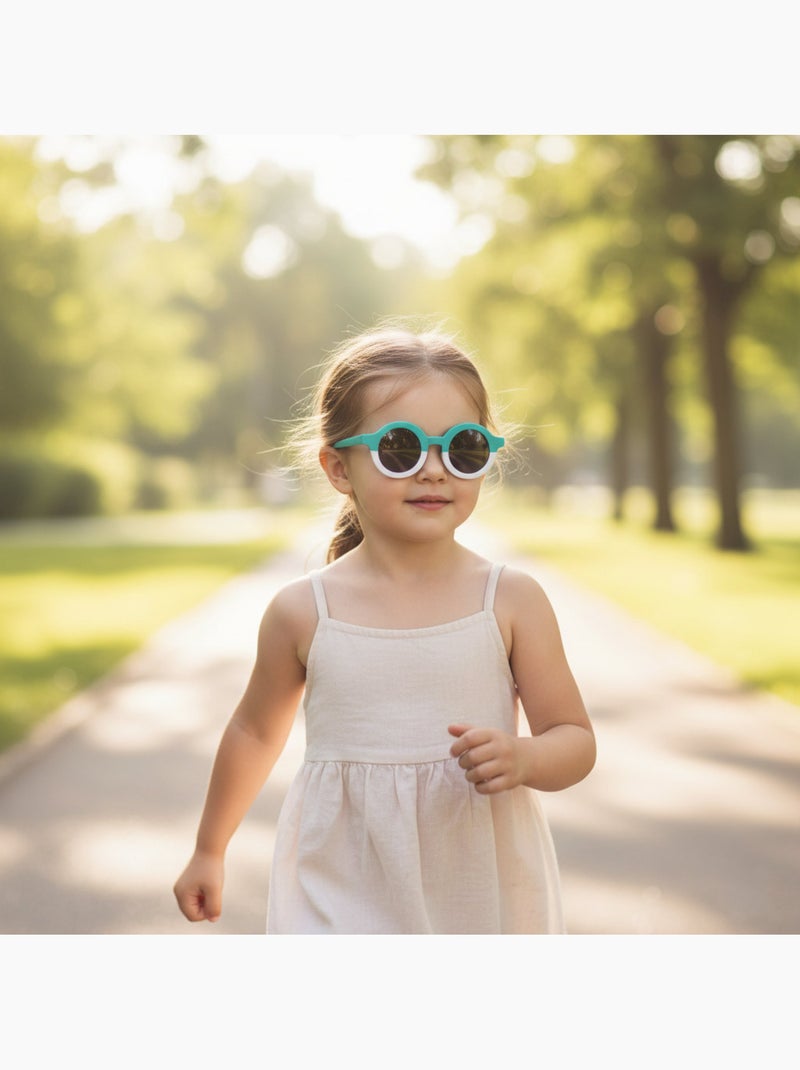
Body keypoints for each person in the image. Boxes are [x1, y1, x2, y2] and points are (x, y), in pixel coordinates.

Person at [174, 325, 595, 934]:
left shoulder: (509, 601)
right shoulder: (304, 611)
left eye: (463, 447)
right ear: (337, 468)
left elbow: (574, 738)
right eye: (400, 448)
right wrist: (210, 848)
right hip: (339, 882)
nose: (433, 471)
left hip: (478, 887)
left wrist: (526, 757)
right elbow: (253, 730)